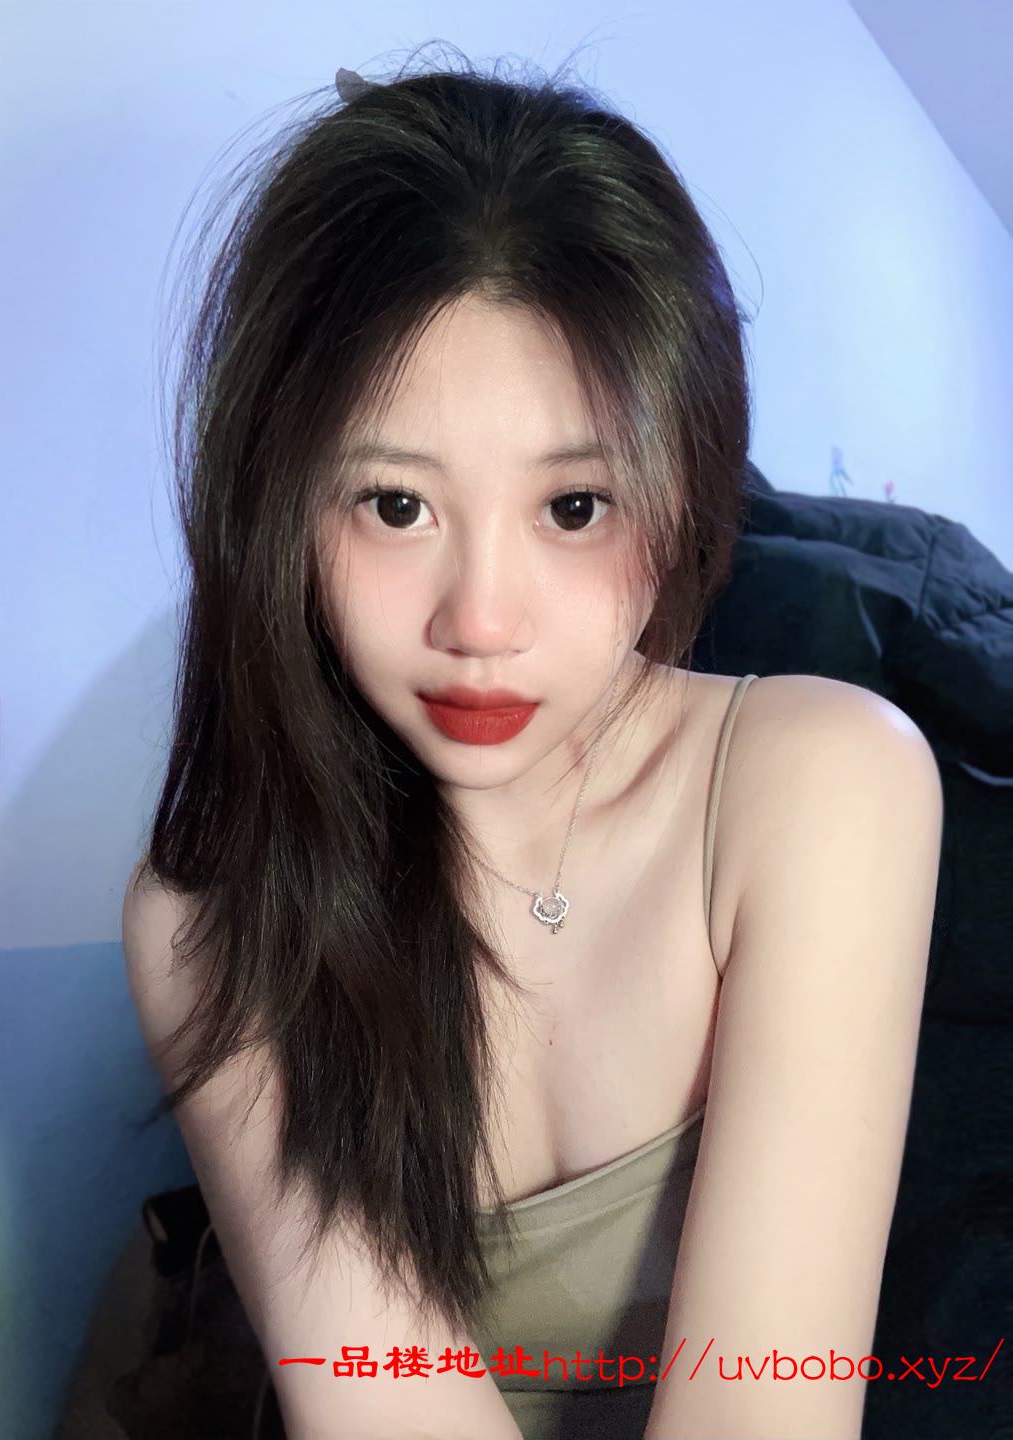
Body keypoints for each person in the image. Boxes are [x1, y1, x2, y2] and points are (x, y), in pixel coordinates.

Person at [121, 44, 944, 1440]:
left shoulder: (822, 784)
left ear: (679, 490)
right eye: (394, 505)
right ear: (275, 505)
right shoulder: (211, 915)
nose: (482, 623)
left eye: (573, 508)